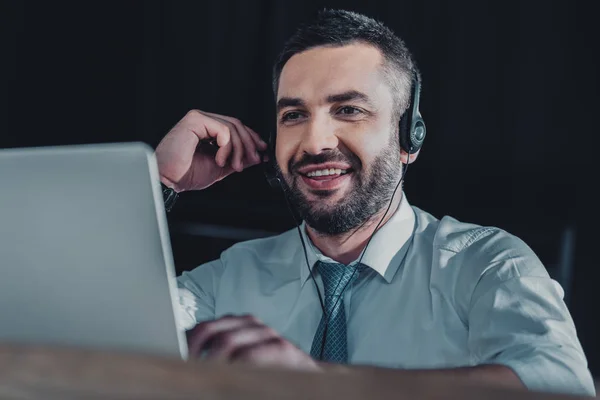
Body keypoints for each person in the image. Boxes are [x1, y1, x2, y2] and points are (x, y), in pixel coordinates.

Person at [154, 9, 595, 396]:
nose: (315, 141)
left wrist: (320, 383)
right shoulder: (229, 276)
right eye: (293, 115)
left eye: (348, 110)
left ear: (409, 138)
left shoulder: (485, 265)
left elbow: (561, 385)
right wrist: (161, 183)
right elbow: (92, 334)